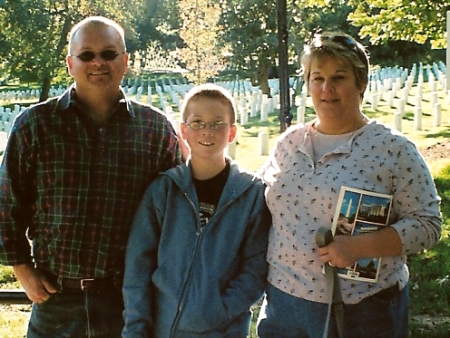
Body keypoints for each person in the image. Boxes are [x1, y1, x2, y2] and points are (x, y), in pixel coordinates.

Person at [0, 16, 180, 337]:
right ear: (70, 63)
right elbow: (7, 202)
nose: (98, 62)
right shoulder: (35, 125)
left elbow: (176, 213)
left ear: (125, 62)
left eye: (109, 53)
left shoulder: (155, 129)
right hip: (55, 297)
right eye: (86, 55)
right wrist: (21, 267)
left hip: (128, 299)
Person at [257, 32, 442, 338]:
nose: (326, 88)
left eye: (339, 77)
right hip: (283, 305)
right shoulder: (289, 142)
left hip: (361, 310)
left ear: (361, 83)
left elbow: (428, 224)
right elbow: (261, 197)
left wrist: (360, 247)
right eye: (317, 78)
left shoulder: (392, 149)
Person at [122, 83, 271, 338]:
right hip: (162, 329)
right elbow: (138, 266)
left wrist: (219, 309)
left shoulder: (251, 193)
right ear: (184, 130)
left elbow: (255, 267)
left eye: (217, 123)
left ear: (232, 132)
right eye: (198, 123)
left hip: (223, 330)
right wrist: (136, 329)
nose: (207, 131)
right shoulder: (163, 190)